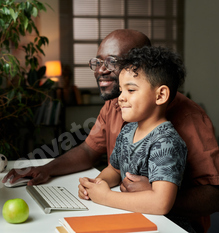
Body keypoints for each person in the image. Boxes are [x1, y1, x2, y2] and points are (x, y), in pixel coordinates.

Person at [3, 29, 219, 233]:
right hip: (128, 211)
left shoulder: (186, 120)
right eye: (98, 62)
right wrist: (48, 169)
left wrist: (154, 194)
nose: (100, 70)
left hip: (172, 223)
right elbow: (90, 151)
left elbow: (214, 198)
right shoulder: (117, 104)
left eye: (111, 61)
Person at [79, 45, 192, 231]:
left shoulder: (166, 142)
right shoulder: (127, 131)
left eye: (130, 90)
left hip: (164, 226)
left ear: (160, 95)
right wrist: (96, 185)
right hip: (133, 217)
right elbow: (114, 170)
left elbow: (161, 203)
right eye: (121, 91)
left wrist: (105, 197)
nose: (120, 98)